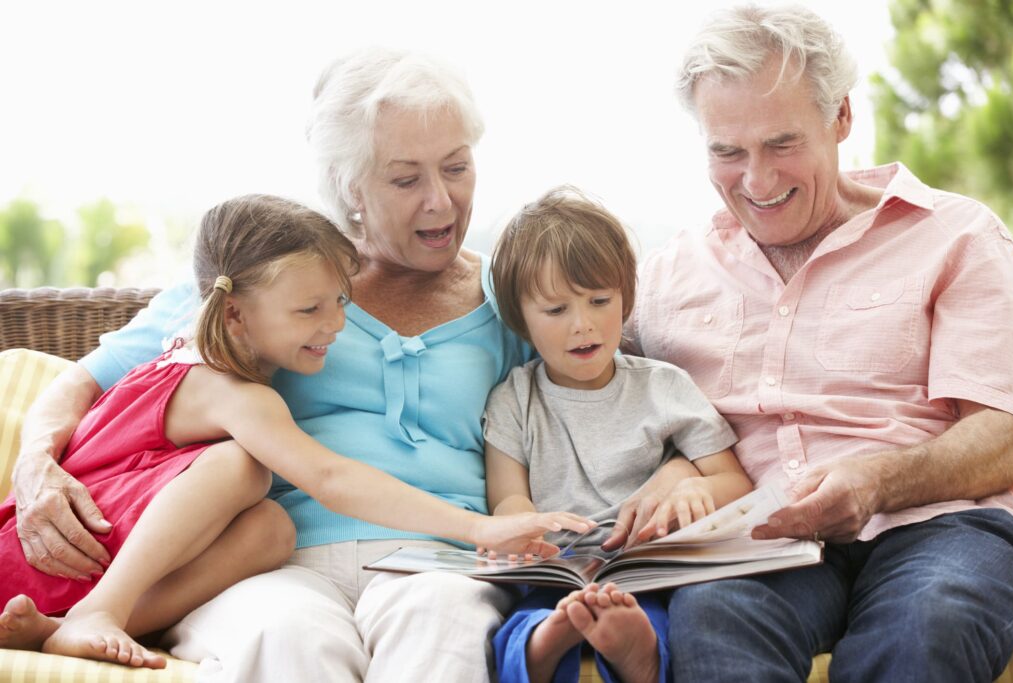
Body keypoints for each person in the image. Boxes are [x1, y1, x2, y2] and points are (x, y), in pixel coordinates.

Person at [8, 49, 691, 682]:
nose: (442, 200)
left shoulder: (515, 299)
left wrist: (684, 463)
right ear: (348, 186)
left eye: (456, 166)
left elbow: (615, 387)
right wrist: (37, 462)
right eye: (405, 178)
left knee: (443, 627)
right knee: (286, 637)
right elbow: (85, 379)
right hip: (274, 559)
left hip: (442, 558)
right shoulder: (266, 284)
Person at [0, 193, 588, 669]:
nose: (337, 325)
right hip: (60, 557)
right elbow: (330, 476)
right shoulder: (229, 392)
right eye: (311, 311)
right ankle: (98, 611)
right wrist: (482, 527)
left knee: (269, 529)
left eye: (340, 303)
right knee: (243, 468)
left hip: (98, 555)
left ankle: (83, 620)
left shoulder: (218, 359)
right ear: (232, 313)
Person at [623, 4, 1013, 682]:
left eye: (782, 144)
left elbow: (1003, 434)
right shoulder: (666, 277)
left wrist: (877, 479)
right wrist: (678, 468)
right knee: (714, 617)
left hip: (942, 525)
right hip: (764, 537)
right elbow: (578, 373)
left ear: (841, 117)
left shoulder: (956, 236)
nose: (756, 180)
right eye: (727, 151)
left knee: (931, 621)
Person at [483, 186, 753, 683]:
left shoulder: (663, 385)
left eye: (599, 300)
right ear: (520, 319)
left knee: (647, 615)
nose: (582, 325)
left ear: (626, 297)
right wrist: (527, 527)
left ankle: (637, 649)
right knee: (524, 623)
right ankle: (547, 642)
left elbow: (735, 484)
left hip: (646, 570)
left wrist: (696, 486)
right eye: (556, 310)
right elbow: (506, 501)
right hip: (555, 570)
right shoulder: (514, 399)